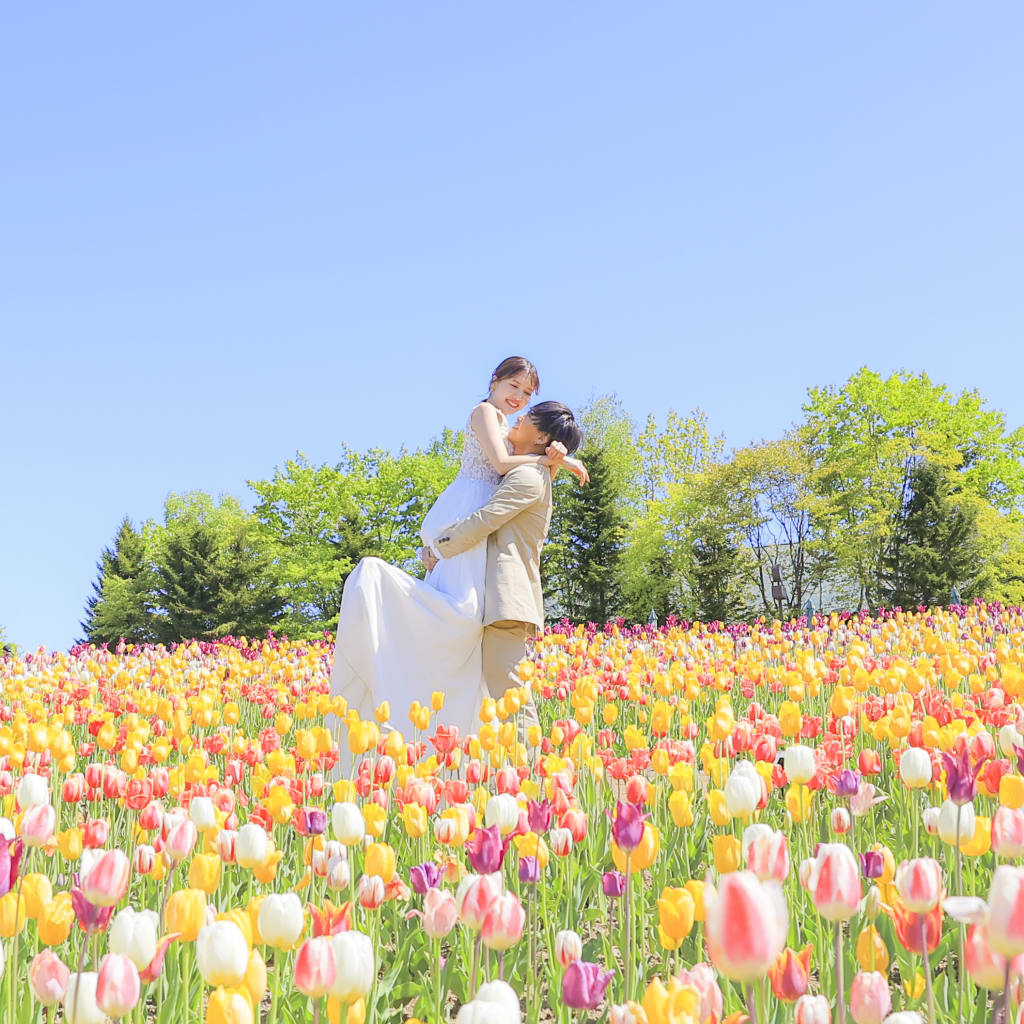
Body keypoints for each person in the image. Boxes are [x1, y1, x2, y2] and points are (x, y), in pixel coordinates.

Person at [330, 358, 585, 758]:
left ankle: (490, 753)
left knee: (472, 638)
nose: (518, 399)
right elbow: (501, 465)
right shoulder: (487, 414)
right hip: (468, 513)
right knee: (462, 617)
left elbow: (517, 481)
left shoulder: (524, 456)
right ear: (494, 381)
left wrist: (552, 457)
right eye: (513, 387)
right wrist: (554, 459)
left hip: (480, 540)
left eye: (527, 395)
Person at [421, 401, 583, 739]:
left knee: (510, 698)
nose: (519, 415)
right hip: (488, 596)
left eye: (529, 415)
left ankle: (533, 775)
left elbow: (486, 519)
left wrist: (440, 548)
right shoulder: (528, 469)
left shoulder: (527, 476)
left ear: (539, 435)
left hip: (506, 602)